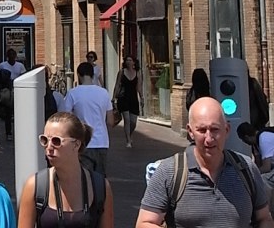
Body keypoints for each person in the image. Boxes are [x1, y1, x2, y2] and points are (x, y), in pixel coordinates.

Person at [136, 97, 274, 228]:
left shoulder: (246, 169)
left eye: (215, 130)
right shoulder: (170, 171)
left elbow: (264, 218)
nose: (209, 139)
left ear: (226, 130)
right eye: (202, 130)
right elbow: (145, 222)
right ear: (190, 131)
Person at [17, 112, 113, 228]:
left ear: (76, 144)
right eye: (44, 140)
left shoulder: (100, 186)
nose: (49, 147)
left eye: (56, 141)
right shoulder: (35, 186)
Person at [63, 62, 113, 175]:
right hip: (102, 142)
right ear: (93, 75)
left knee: (84, 178)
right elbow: (110, 121)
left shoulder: (73, 93)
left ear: (79, 75)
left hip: (83, 142)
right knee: (100, 179)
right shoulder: (104, 93)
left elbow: (65, 118)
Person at [113, 56, 143, 148]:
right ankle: (128, 140)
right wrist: (114, 98)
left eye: (130, 60)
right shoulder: (121, 72)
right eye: (127, 60)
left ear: (134, 62)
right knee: (127, 119)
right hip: (123, 98)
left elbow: (139, 87)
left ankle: (129, 134)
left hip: (133, 98)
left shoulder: (138, 73)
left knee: (133, 122)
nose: (128, 62)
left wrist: (141, 97)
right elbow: (117, 85)